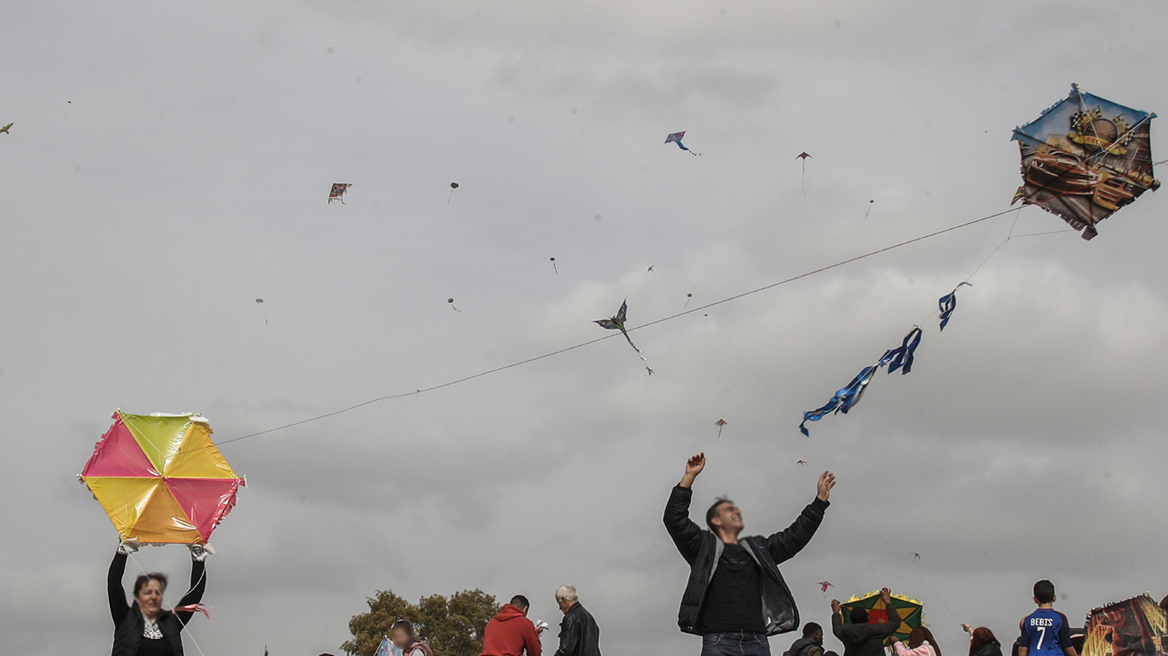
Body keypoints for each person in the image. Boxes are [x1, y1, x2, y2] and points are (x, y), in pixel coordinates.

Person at [664, 452, 836, 656]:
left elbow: (794, 537)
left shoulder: (758, 550)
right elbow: (675, 521)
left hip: (756, 640)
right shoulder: (703, 548)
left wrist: (819, 503)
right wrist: (688, 478)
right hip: (719, 641)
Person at [108, 539, 212, 656]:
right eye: (147, 592)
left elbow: (195, 593)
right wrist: (122, 553)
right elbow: (114, 584)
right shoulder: (125, 619)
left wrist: (198, 558)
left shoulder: (171, 623)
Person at [831, 588, 901, 656]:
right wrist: (888, 601)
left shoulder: (845, 632)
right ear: (868, 618)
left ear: (851, 620)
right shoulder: (877, 630)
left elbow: (837, 627)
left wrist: (836, 612)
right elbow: (895, 622)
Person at [1017, 581, 1077, 656]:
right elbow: (1066, 645)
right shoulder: (1060, 618)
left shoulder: (1028, 620)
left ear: (1035, 599)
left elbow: (1023, 647)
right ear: (1054, 598)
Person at [551, 585, 601, 656]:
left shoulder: (570, 618)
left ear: (564, 600)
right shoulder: (589, 617)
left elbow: (566, 650)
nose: (560, 608)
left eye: (559, 603)